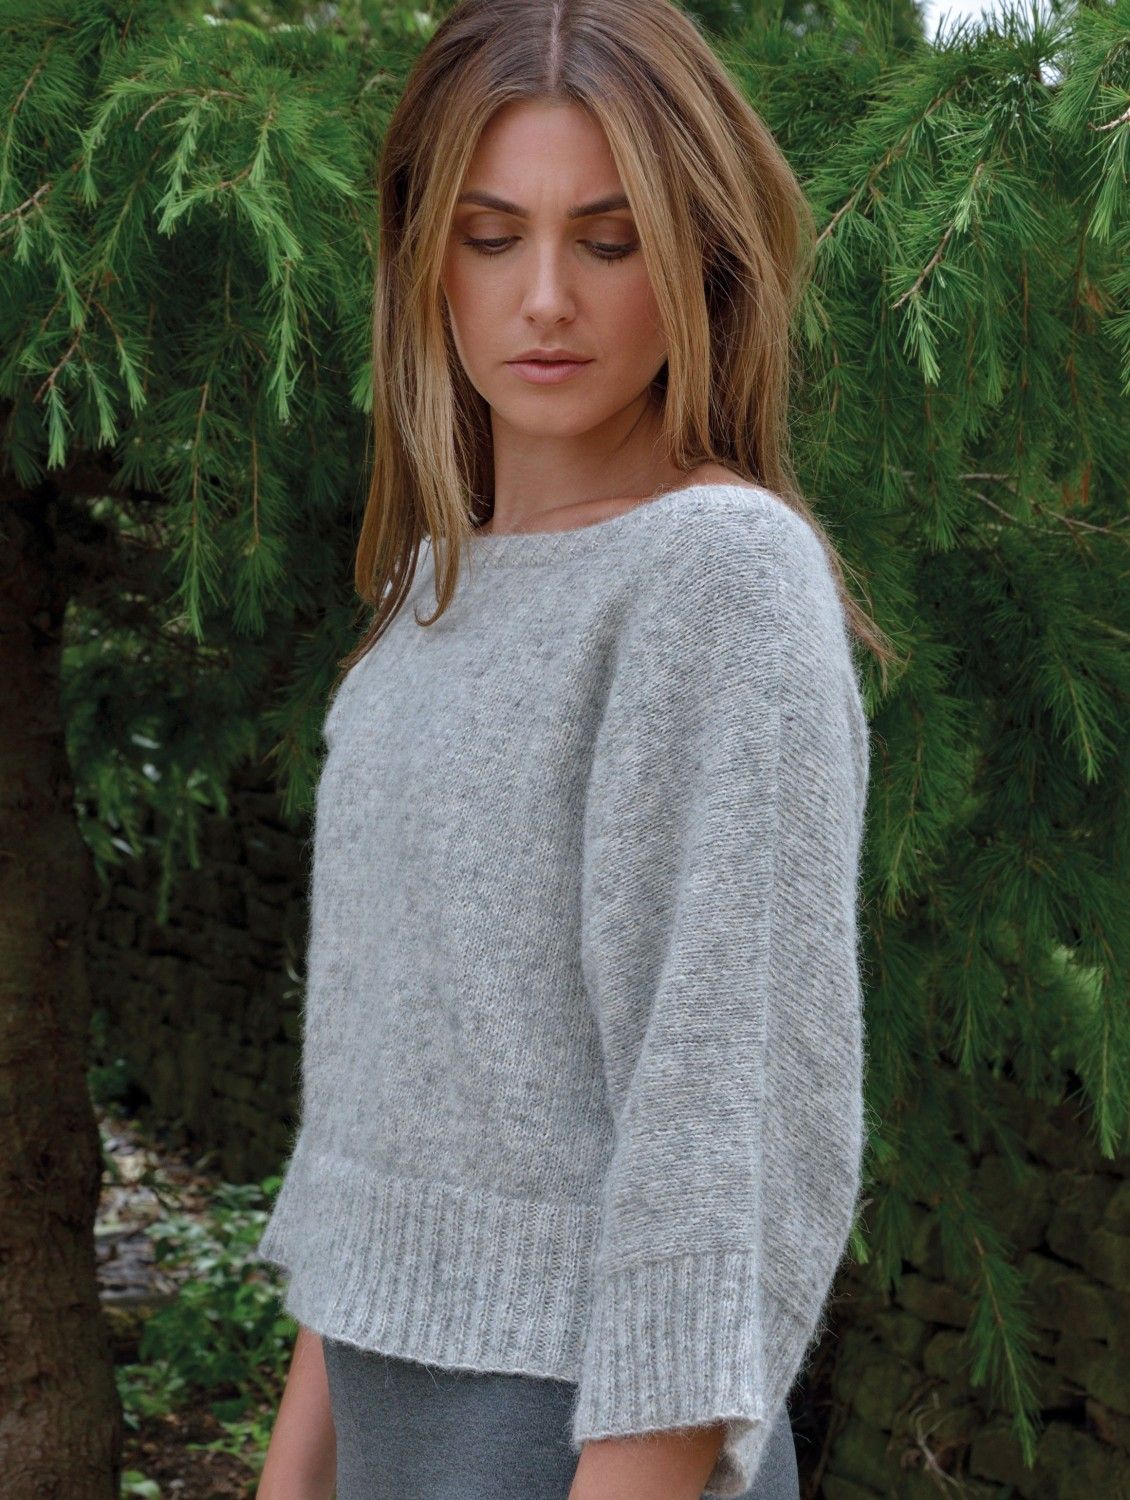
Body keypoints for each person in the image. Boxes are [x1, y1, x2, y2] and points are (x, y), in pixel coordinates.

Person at [254, 2, 893, 1497]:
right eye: (491, 238)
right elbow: (378, 1124)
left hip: (586, 1442)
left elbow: (716, 1146)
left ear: (701, 261)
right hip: (388, 1425)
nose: (544, 298)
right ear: (425, 259)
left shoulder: (716, 578)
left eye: (608, 242)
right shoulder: (430, 591)